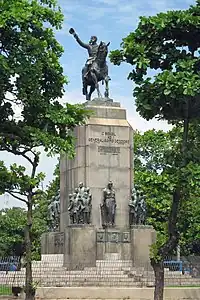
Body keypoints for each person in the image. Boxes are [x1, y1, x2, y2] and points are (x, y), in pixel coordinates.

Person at [69, 28, 99, 94]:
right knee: (84, 68)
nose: (92, 40)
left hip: (97, 60)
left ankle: (105, 75)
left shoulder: (99, 46)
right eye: (91, 38)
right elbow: (81, 43)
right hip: (90, 60)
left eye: (93, 38)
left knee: (104, 66)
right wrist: (74, 34)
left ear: (95, 40)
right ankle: (84, 79)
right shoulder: (89, 46)